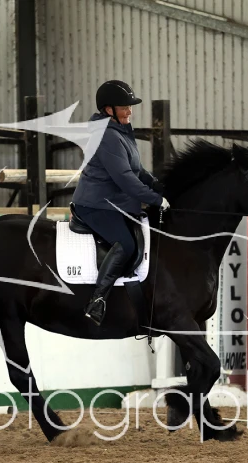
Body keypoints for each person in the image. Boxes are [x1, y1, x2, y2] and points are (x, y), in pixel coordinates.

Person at [72, 80, 170, 326]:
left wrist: (158, 185)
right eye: (124, 107)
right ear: (109, 110)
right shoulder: (107, 135)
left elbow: (137, 169)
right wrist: (155, 199)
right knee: (126, 243)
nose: (129, 111)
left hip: (114, 202)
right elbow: (125, 178)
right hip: (96, 204)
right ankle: (97, 301)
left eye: (130, 106)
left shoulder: (121, 130)